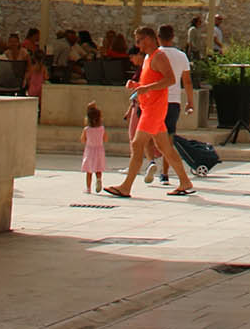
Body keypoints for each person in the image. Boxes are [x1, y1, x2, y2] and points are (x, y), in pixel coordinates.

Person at [108, 28, 193, 198]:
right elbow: (150, 82)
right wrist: (137, 85)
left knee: (137, 144)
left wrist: (145, 88)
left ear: (148, 39)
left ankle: (126, 186)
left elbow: (170, 80)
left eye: (139, 40)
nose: (137, 44)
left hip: (154, 110)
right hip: (150, 108)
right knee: (165, 148)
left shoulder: (159, 57)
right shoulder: (149, 58)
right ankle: (185, 182)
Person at [145, 23, 194, 185]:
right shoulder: (181, 56)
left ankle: (151, 161)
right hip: (173, 101)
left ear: (157, 37)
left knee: (147, 134)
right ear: (173, 37)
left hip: (155, 100)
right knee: (168, 138)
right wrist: (190, 101)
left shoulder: (153, 55)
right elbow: (187, 81)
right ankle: (165, 173)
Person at [80, 102, 106, 193]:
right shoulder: (102, 129)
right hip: (99, 150)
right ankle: (98, 179)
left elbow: (83, 140)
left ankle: (88, 188)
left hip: (89, 151)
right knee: (98, 168)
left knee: (89, 170)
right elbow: (105, 139)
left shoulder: (87, 129)